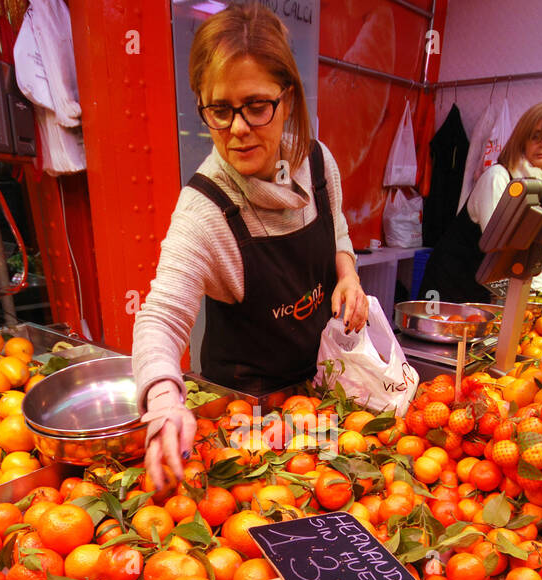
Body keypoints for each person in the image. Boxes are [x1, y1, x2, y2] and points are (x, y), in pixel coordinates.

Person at [132, 3, 368, 489]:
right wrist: (162, 401)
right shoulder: (206, 208)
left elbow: (338, 230)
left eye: (257, 106)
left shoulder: (318, 164)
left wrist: (348, 275)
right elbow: (162, 315)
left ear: (288, 99)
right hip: (246, 416)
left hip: (322, 393)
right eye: (219, 110)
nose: (237, 129)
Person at [417, 101, 542, 304]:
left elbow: (531, 245)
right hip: (452, 281)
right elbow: (500, 244)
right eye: (536, 136)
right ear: (522, 138)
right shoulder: (498, 177)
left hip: (485, 286)